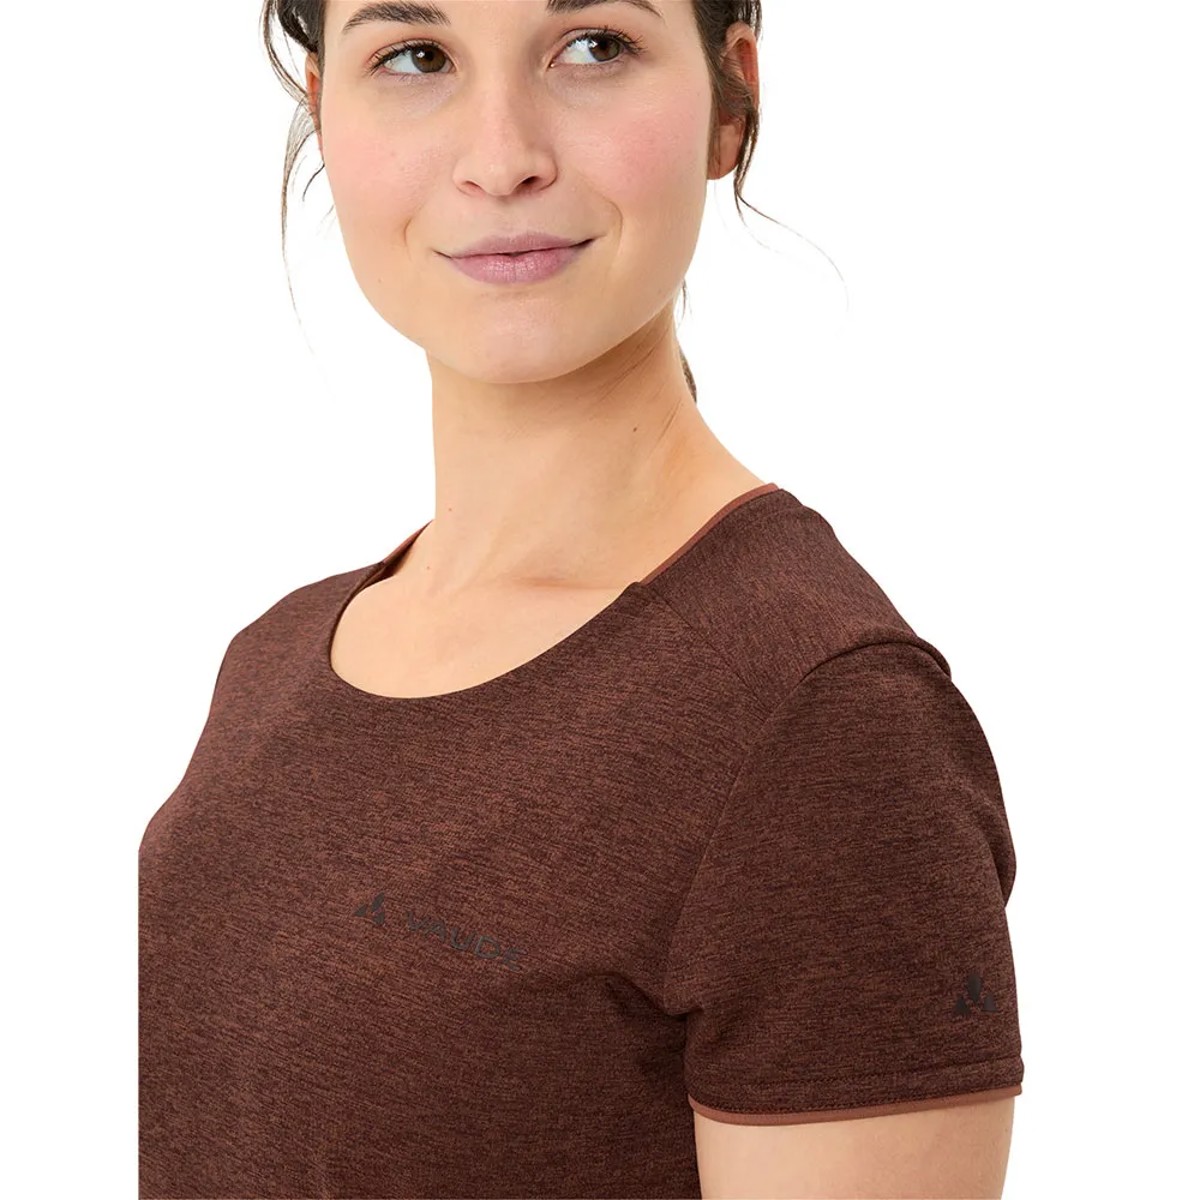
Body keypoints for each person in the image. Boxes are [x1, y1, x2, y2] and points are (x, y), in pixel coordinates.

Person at [138, 3, 1024, 1197]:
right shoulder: (275, 657)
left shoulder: (822, 719)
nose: (500, 157)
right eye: (415, 57)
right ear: (322, 105)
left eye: (595, 47)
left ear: (732, 100)